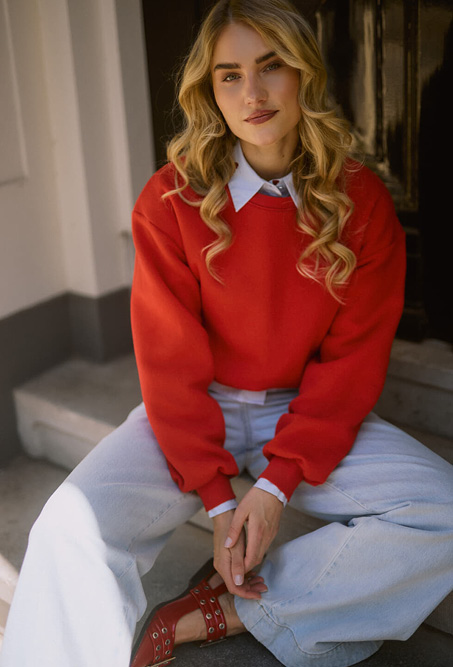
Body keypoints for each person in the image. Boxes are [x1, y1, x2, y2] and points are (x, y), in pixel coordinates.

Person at [1, 1, 452, 666]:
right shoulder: (170, 200)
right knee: (68, 526)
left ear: (304, 73)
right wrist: (218, 500)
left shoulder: (361, 202)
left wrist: (276, 485)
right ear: (209, 91)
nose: (252, 92)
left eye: (271, 66)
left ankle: (240, 609)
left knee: (443, 511)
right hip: (193, 409)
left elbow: (352, 362)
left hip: (301, 412)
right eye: (230, 75)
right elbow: (168, 367)